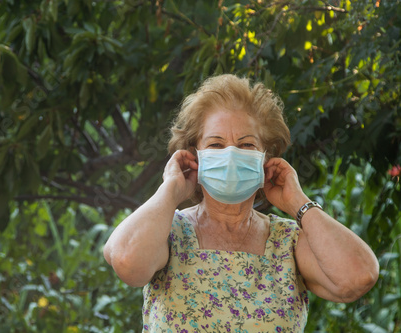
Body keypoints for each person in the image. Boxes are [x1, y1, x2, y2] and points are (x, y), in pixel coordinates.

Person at [103, 74, 379, 332]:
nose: (231, 156)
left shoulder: (288, 242)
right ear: (194, 156)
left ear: (266, 158)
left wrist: (298, 202)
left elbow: (358, 277)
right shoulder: (168, 233)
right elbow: (127, 262)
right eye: (216, 145)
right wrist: (171, 189)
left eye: (246, 145)